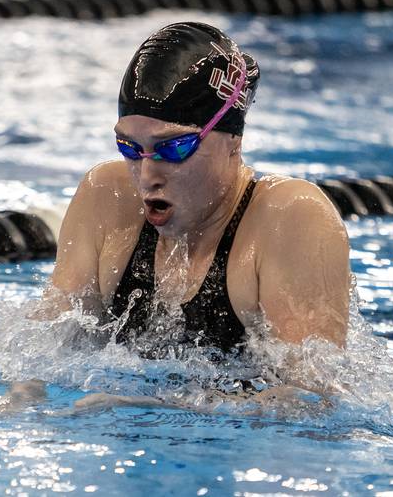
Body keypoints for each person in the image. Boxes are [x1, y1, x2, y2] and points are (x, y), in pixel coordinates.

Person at [48, 21, 350, 358]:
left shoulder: (290, 219)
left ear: (232, 141)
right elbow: (45, 350)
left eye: (174, 148)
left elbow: (308, 399)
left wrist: (144, 406)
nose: (147, 175)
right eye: (130, 148)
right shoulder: (106, 196)